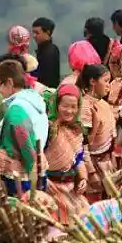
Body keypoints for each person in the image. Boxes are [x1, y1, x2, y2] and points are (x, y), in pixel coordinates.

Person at [0, 59, 49, 196]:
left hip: (21, 179)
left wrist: (32, 168)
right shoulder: (36, 101)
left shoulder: (16, 109)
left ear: (9, 82)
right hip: (39, 169)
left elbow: (24, 140)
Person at [44, 84, 89, 223]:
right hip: (50, 187)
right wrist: (43, 178)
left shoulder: (77, 130)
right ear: (57, 105)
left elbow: (79, 158)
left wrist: (83, 178)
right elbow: (35, 156)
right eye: (65, 106)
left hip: (70, 187)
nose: (69, 111)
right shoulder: (48, 128)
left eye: (73, 107)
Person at [77, 64, 118, 202]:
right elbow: (82, 144)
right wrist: (91, 172)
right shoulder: (85, 107)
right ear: (92, 81)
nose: (109, 86)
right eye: (105, 81)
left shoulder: (103, 104)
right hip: (94, 167)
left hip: (107, 165)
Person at [31, 17, 61, 88]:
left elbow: (47, 79)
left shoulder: (49, 52)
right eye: (33, 33)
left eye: (37, 33)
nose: (34, 36)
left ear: (47, 32)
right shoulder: (45, 50)